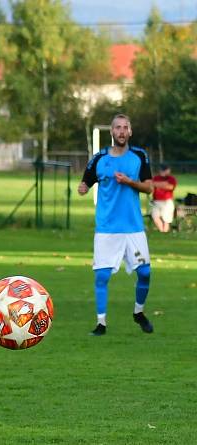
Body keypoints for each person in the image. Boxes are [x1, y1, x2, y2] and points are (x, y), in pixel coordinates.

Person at [78, 113, 154, 336]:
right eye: (117, 128)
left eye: (125, 127)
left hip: (133, 227)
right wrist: (83, 188)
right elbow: (86, 181)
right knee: (102, 277)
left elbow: (149, 187)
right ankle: (101, 324)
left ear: (130, 132)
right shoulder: (99, 158)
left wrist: (130, 182)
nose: (121, 131)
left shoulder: (139, 156)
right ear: (111, 132)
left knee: (146, 272)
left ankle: (138, 312)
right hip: (107, 228)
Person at [150, 163, 177, 233]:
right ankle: (162, 230)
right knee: (155, 217)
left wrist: (157, 184)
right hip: (156, 201)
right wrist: (164, 184)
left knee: (166, 218)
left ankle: (165, 232)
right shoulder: (156, 178)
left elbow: (170, 187)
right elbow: (150, 185)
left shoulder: (171, 178)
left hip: (167, 201)